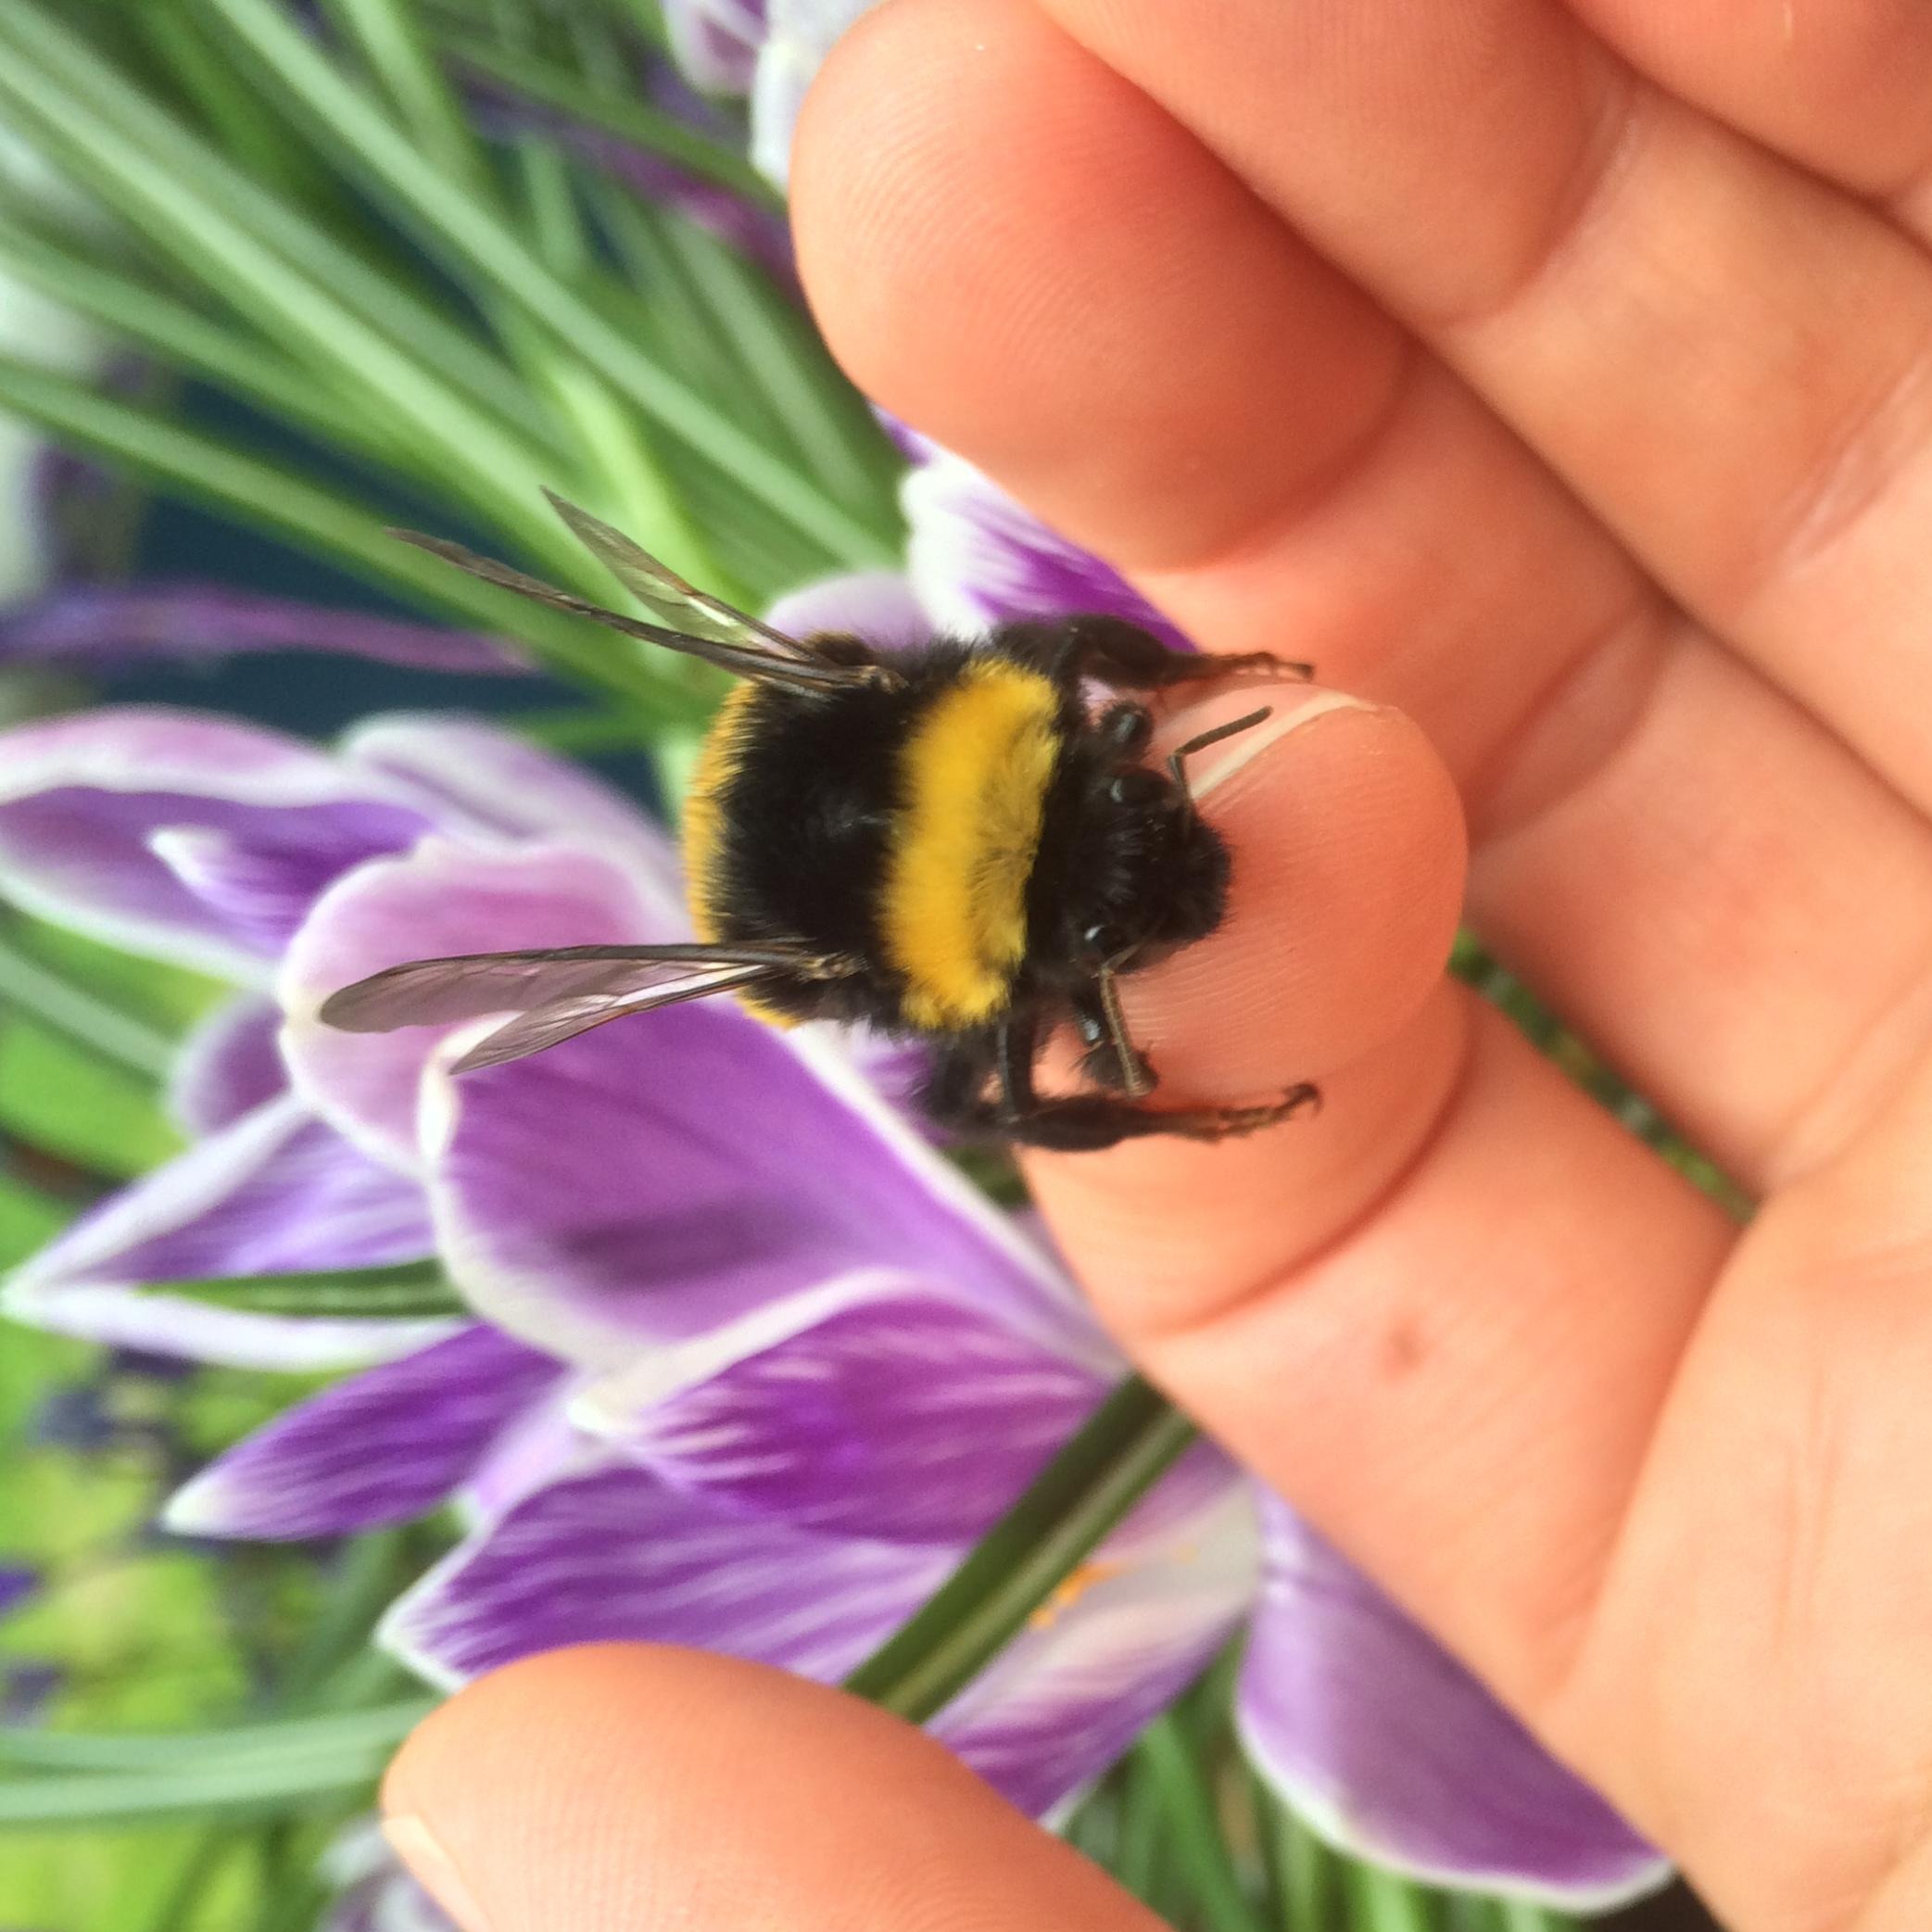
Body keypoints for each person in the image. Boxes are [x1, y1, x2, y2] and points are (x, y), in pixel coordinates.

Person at [377, 2, 1932, 1926]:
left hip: (947, 796)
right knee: (1005, 1057)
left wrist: (1208, 690)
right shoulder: (936, 962)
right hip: (848, 893)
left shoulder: (1016, 725)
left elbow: (1000, 688)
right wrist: (1157, 1091)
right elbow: (988, 1033)